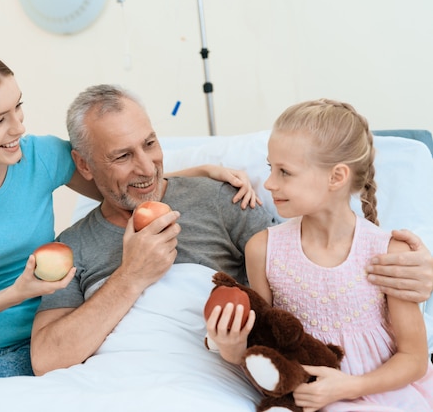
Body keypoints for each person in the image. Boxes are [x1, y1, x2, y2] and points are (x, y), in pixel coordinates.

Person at [0, 49, 260, 411]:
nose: (18, 127)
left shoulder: (39, 156)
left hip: (37, 339)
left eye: (18, 107)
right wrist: (18, 291)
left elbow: (120, 181)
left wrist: (204, 171)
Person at [29, 85, 433, 377]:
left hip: (203, 382)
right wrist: (131, 277)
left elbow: (305, 262)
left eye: (150, 143)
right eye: (122, 156)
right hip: (106, 386)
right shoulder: (72, 245)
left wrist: (415, 272)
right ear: (84, 166)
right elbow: (46, 360)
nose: (147, 167)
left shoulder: (221, 200)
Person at [209, 99, 433, 411]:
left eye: (285, 172)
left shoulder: (389, 253)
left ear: (337, 177)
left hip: (383, 395)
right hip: (306, 400)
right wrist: (233, 351)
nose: (270, 183)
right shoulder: (262, 249)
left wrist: (350, 386)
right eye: (270, 168)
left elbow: (415, 359)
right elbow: (266, 342)